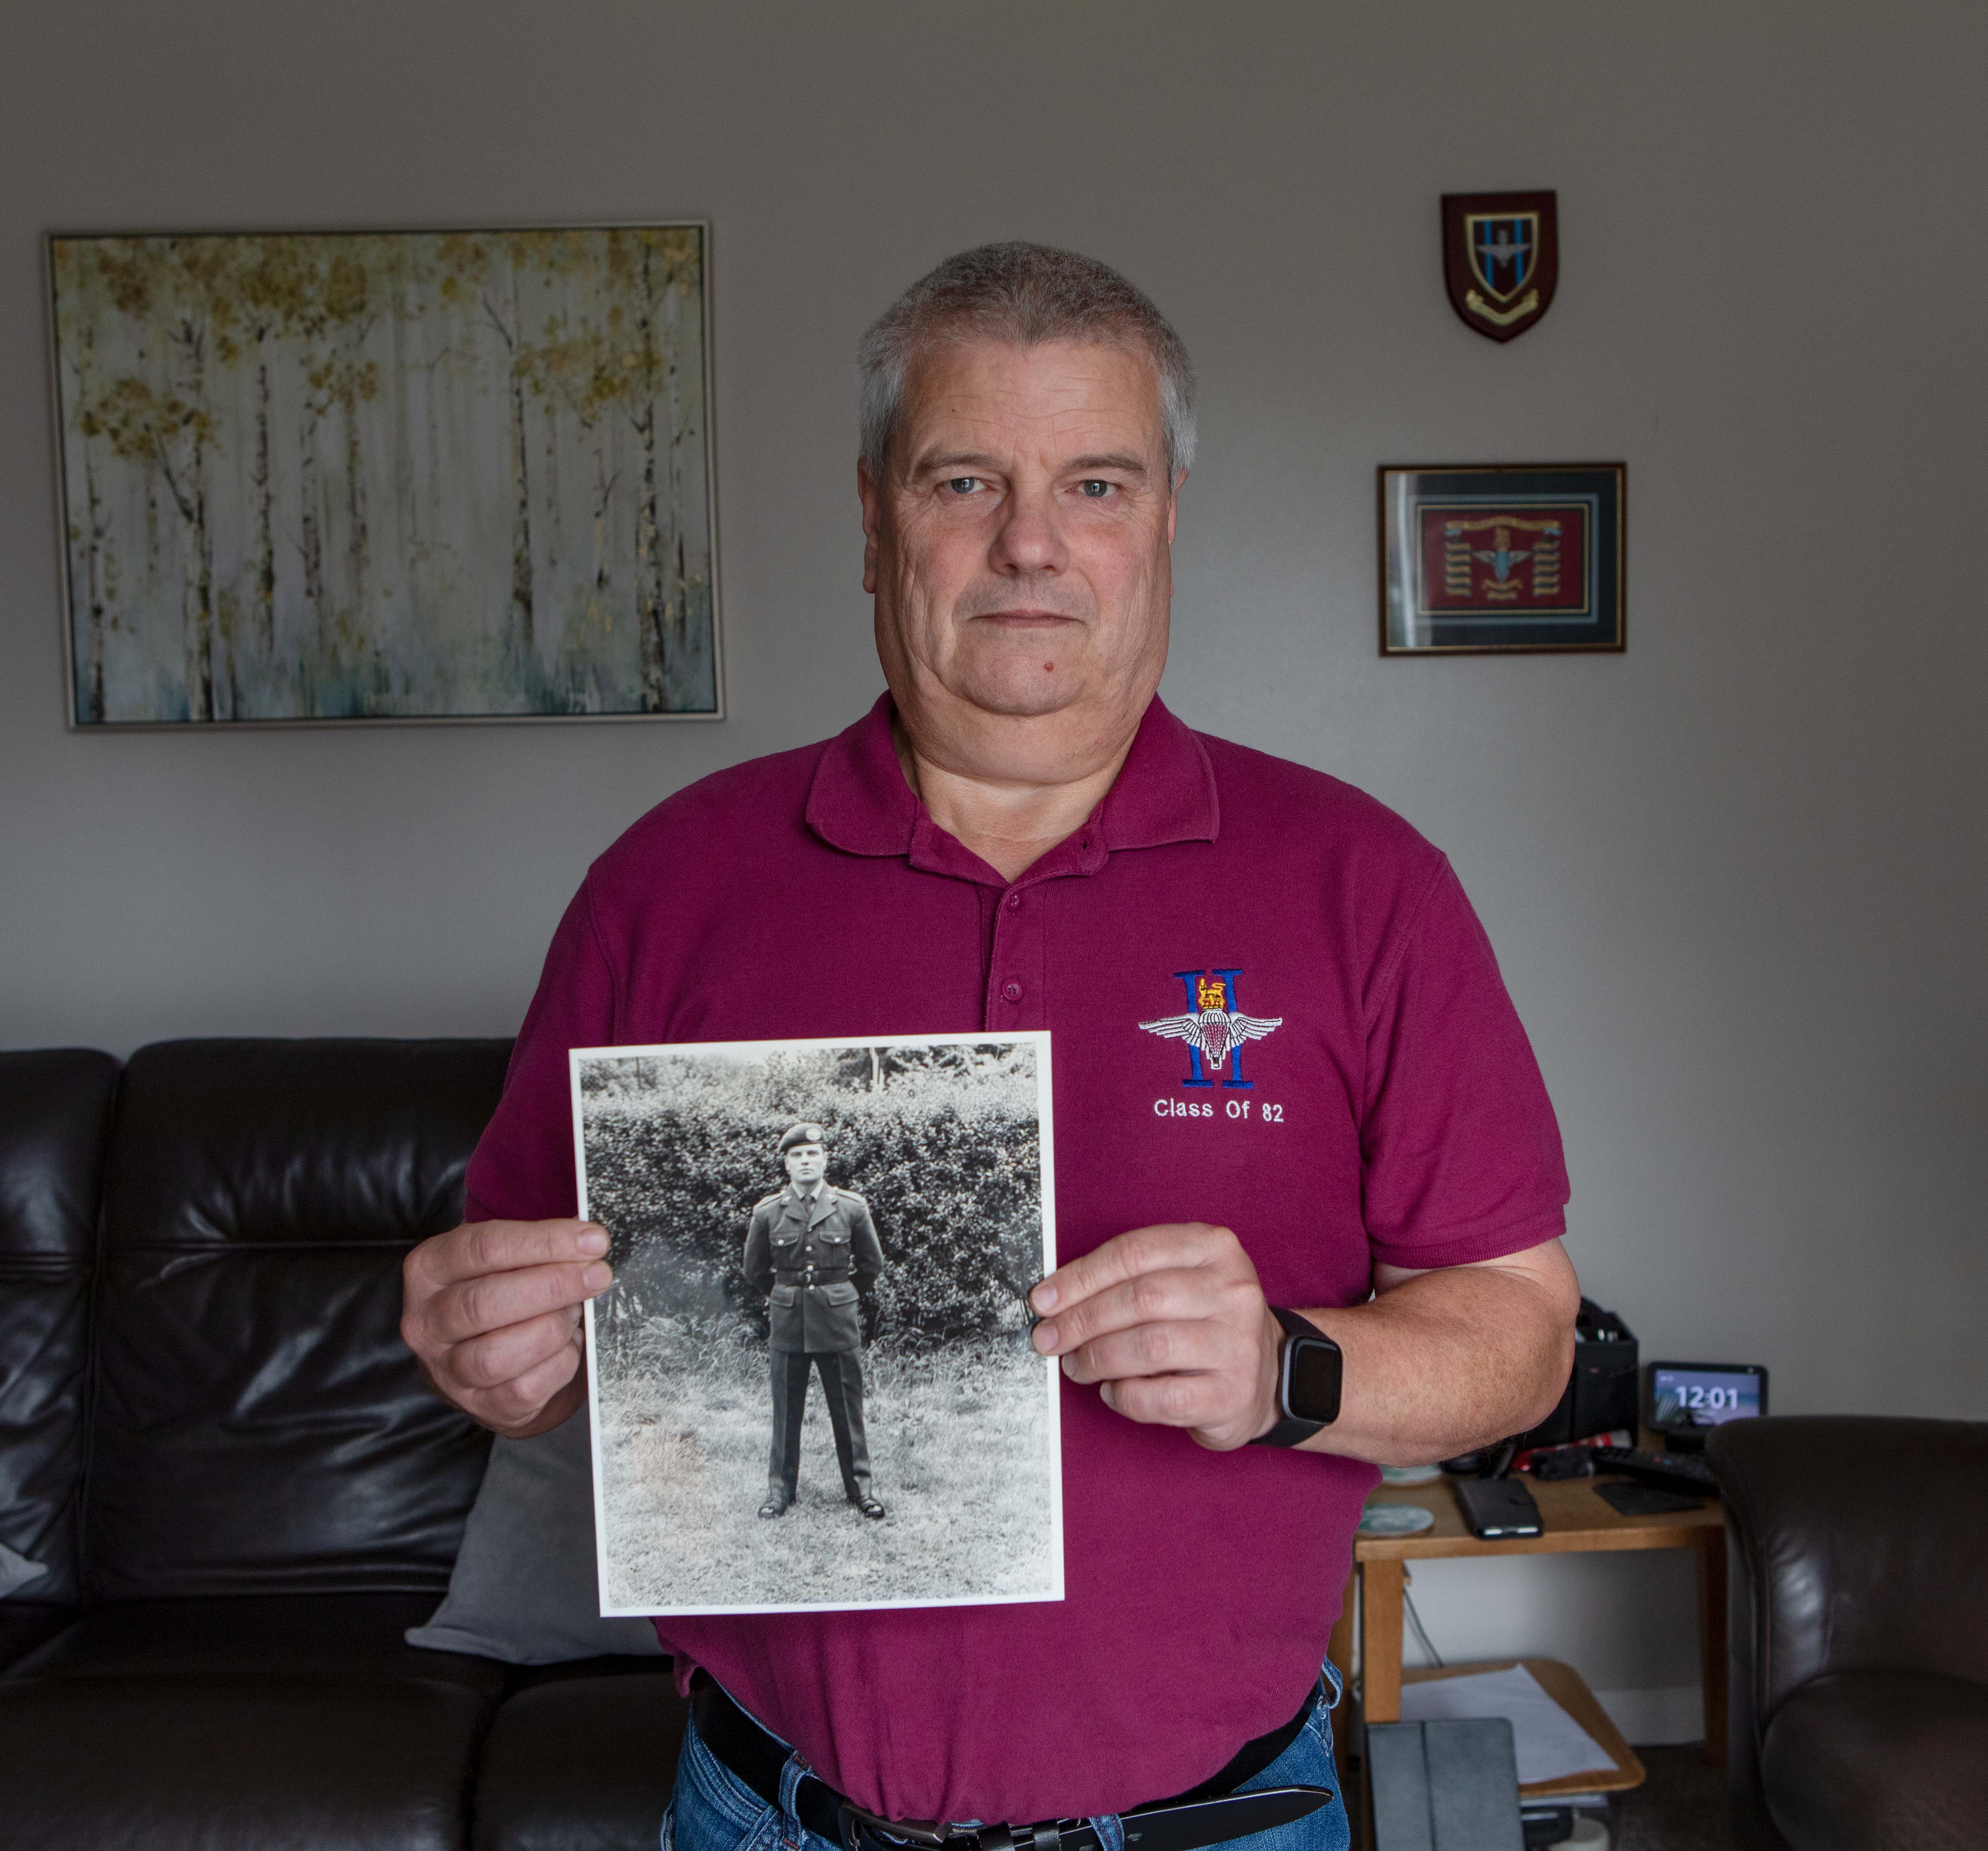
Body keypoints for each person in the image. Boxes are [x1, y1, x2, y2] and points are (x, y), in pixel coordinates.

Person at [399, 241, 1581, 1849]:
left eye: (1095, 484)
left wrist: (1285, 1368)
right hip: (773, 1816)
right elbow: (540, 1327)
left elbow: (1521, 1330)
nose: (1031, 541)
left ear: (1165, 518)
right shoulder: (668, 885)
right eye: (966, 481)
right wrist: (490, 1353)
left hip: (1226, 1825)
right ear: (873, 514)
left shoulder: (1363, 884)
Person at [743, 1121, 887, 1520]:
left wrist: (841, 1294)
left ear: (825, 1160)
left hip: (838, 1322)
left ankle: (861, 1490)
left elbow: (871, 1265)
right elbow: (755, 1270)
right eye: (797, 1156)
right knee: (786, 1412)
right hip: (789, 1322)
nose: (805, 1161)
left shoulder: (852, 1208)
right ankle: (779, 1492)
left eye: (812, 1154)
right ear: (787, 1165)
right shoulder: (768, 1212)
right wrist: (785, 1295)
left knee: (848, 1410)